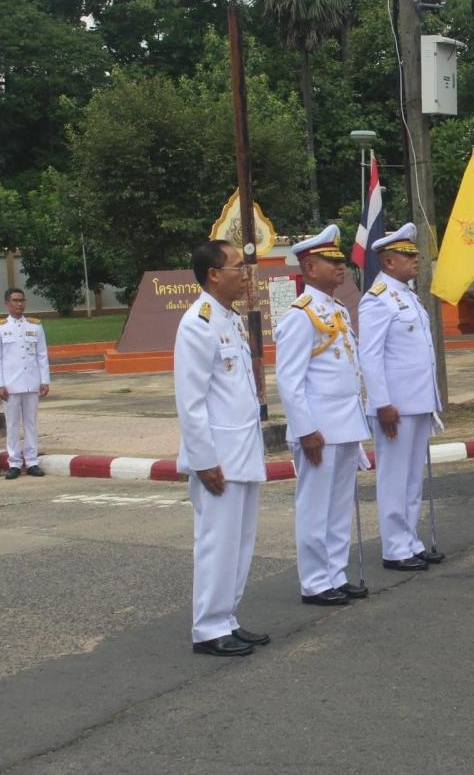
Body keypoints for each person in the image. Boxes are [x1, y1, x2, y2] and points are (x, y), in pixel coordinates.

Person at [174, 240, 268, 657]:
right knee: (217, 541)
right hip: (218, 457)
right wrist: (204, 460)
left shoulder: (227, 320)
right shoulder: (198, 322)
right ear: (214, 274)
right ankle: (208, 627)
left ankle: (227, 616)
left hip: (242, 450)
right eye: (236, 266)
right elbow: (190, 400)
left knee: (241, 540)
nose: (244, 272)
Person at [275, 225, 371, 606]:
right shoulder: (300, 316)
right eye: (332, 262)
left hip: (344, 424)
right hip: (318, 429)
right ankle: (315, 582)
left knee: (338, 505)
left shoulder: (336, 309)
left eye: (341, 261)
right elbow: (290, 380)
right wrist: (306, 429)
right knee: (315, 508)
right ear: (310, 268)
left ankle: (335, 572)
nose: (341, 268)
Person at [358, 222, 444, 572]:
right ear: (388, 262)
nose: (415, 260)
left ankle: (410, 541)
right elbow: (371, 356)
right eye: (408, 255)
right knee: (394, 477)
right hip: (395, 406)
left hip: (418, 402)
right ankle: (395, 547)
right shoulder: (377, 300)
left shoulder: (407, 296)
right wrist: (382, 404)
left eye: (414, 254)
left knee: (411, 478)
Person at [0, 289, 51, 479]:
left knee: (31, 423)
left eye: (21, 300)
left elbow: (42, 354)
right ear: (7, 303)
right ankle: (14, 462)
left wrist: (44, 380)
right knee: (13, 424)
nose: (19, 304)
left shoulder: (35, 326)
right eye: (15, 301)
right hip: (10, 384)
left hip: (31, 382)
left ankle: (32, 461)